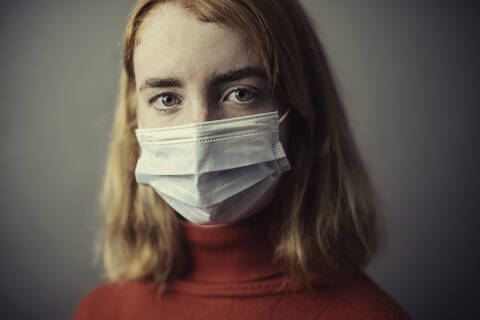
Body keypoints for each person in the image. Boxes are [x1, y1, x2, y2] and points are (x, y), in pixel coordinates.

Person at [73, 0, 411, 319]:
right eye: (166, 98)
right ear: (136, 117)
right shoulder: (101, 311)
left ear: (299, 108)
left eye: (240, 93)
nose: (200, 132)